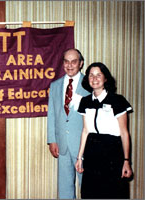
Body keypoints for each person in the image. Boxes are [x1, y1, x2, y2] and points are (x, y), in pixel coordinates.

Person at [75, 62, 132, 198]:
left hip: (112, 152)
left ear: (105, 78)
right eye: (91, 75)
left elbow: (124, 133)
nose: (94, 79)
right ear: (87, 79)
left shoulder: (117, 100)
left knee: (112, 192)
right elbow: (85, 131)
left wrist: (126, 161)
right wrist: (79, 158)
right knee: (91, 193)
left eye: (98, 75)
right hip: (91, 152)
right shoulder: (85, 101)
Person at [47, 48, 90, 198]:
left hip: (85, 146)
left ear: (81, 63)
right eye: (66, 61)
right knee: (65, 189)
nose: (70, 65)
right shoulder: (55, 85)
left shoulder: (90, 84)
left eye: (74, 61)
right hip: (62, 145)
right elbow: (52, 114)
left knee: (88, 187)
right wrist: (52, 140)